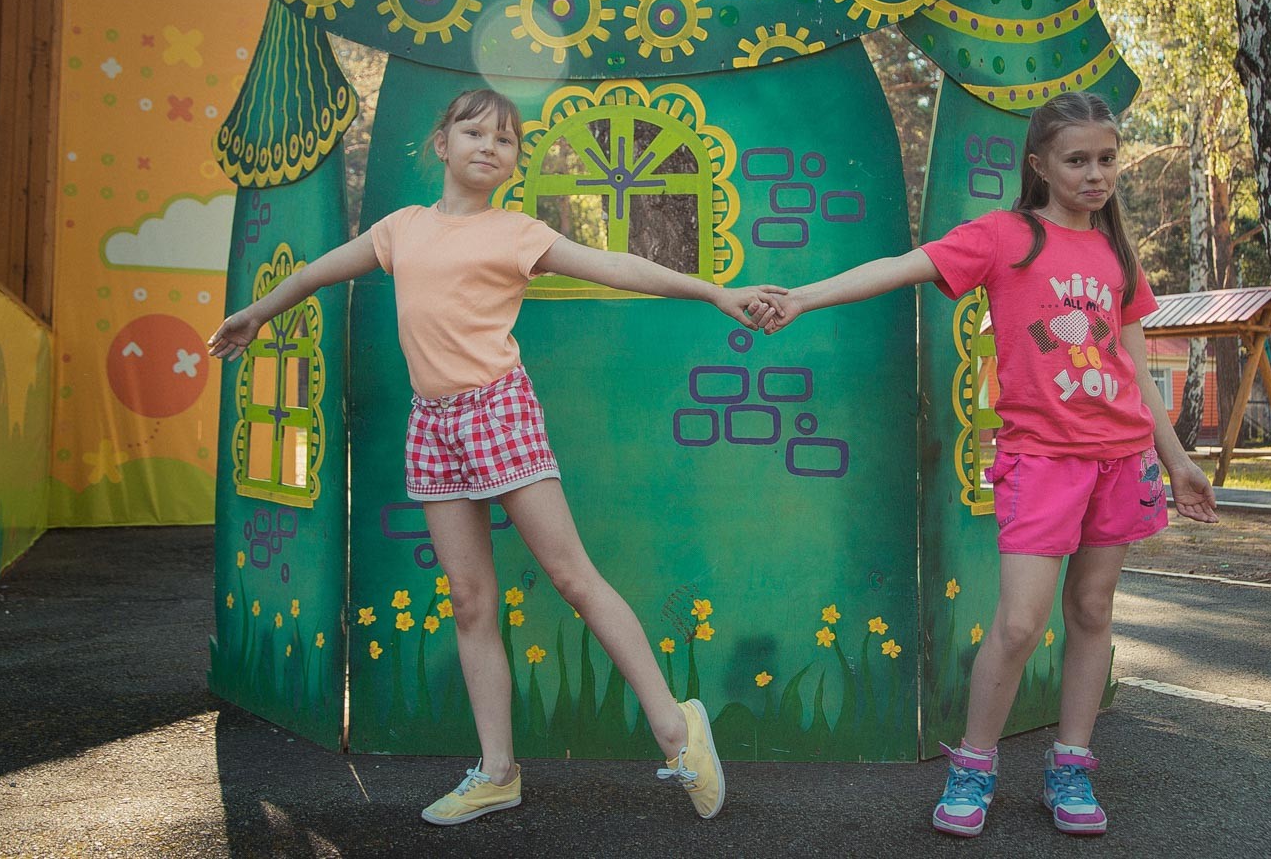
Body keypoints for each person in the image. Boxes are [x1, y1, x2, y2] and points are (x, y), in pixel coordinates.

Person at [209, 88, 785, 825]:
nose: (489, 145)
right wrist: (257, 314)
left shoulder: (518, 233)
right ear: (442, 144)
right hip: (432, 422)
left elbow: (615, 265)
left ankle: (677, 728)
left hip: (497, 412)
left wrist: (714, 293)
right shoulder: (400, 229)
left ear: (514, 162)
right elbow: (318, 270)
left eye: (505, 139)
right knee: (470, 599)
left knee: (572, 577)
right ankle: (497, 772)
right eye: (473, 131)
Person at [750, 90, 1218, 838]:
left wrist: (1178, 460)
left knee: (1092, 610)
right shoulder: (1006, 237)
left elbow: (1132, 368)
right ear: (1040, 165)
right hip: (1042, 459)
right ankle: (973, 766)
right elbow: (901, 266)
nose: (1095, 174)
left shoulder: (1117, 254)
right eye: (1077, 160)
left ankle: (1072, 766)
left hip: (1120, 458)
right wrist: (803, 298)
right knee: (1021, 622)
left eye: (1107, 159)